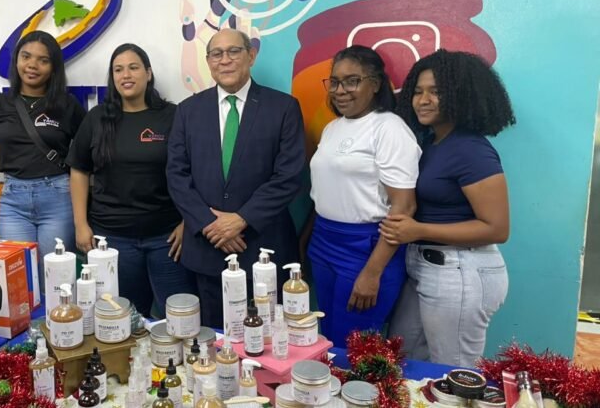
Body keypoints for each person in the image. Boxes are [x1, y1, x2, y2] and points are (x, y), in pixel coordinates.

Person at [383, 49, 515, 367]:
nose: (423, 100)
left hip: (460, 271)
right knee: (404, 359)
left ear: (460, 95)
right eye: (418, 92)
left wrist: (418, 230)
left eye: (436, 92)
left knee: (454, 373)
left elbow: (497, 228)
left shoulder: (471, 149)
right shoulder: (432, 143)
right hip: (424, 266)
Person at [166, 28, 306, 328]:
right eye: (217, 54)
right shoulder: (188, 110)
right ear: (208, 61)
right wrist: (209, 224)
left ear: (251, 56)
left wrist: (241, 219)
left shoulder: (283, 108)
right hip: (207, 248)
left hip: (263, 246)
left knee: (267, 337)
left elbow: (289, 176)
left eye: (234, 51)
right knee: (214, 340)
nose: (225, 60)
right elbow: (176, 175)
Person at [67, 43, 195, 317]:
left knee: (179, 317)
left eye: (133, 68)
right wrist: (80, 225)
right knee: (122, 319)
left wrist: (188, 223)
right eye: (118, 69)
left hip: (167, 238)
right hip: (112, 239)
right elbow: (79, 171)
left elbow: (195, 172)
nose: (126, 75)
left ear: (148, 73)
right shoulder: (97, 118)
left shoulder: (173, 116)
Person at [305, 45, 420, 347]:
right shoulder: (332, 128)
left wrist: (372, 272)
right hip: (324, 242)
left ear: (376, 83)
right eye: (334, 82)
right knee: (328, 341)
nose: (340, 90)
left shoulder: (389, 128)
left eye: (352, 81)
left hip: (365, 249)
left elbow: (404, 206)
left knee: (353, 347)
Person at [0, 31, 86, 273]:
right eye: (26, 56)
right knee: (19, 276)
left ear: (53, 67)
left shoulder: (67, 105)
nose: (32, 65)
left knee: (56, 277)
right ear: (16, 60)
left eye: (43, 60)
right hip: (13, 203)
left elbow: (84, 162)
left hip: (57, 199)